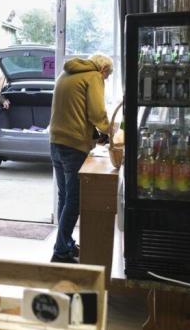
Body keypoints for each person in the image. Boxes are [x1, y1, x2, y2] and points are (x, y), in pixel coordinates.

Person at [49, 53, 112, 263]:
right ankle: (60, 252)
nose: (106, 79)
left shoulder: (66, 73)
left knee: (64, 196)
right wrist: (111, 130)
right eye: (108, 75)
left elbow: (73, 111)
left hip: (55, 142)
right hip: (73, 145)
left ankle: (65, 243)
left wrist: (95, 133)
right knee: (74, 200)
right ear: (103, 69)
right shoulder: (93, 76)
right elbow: (96, 113)